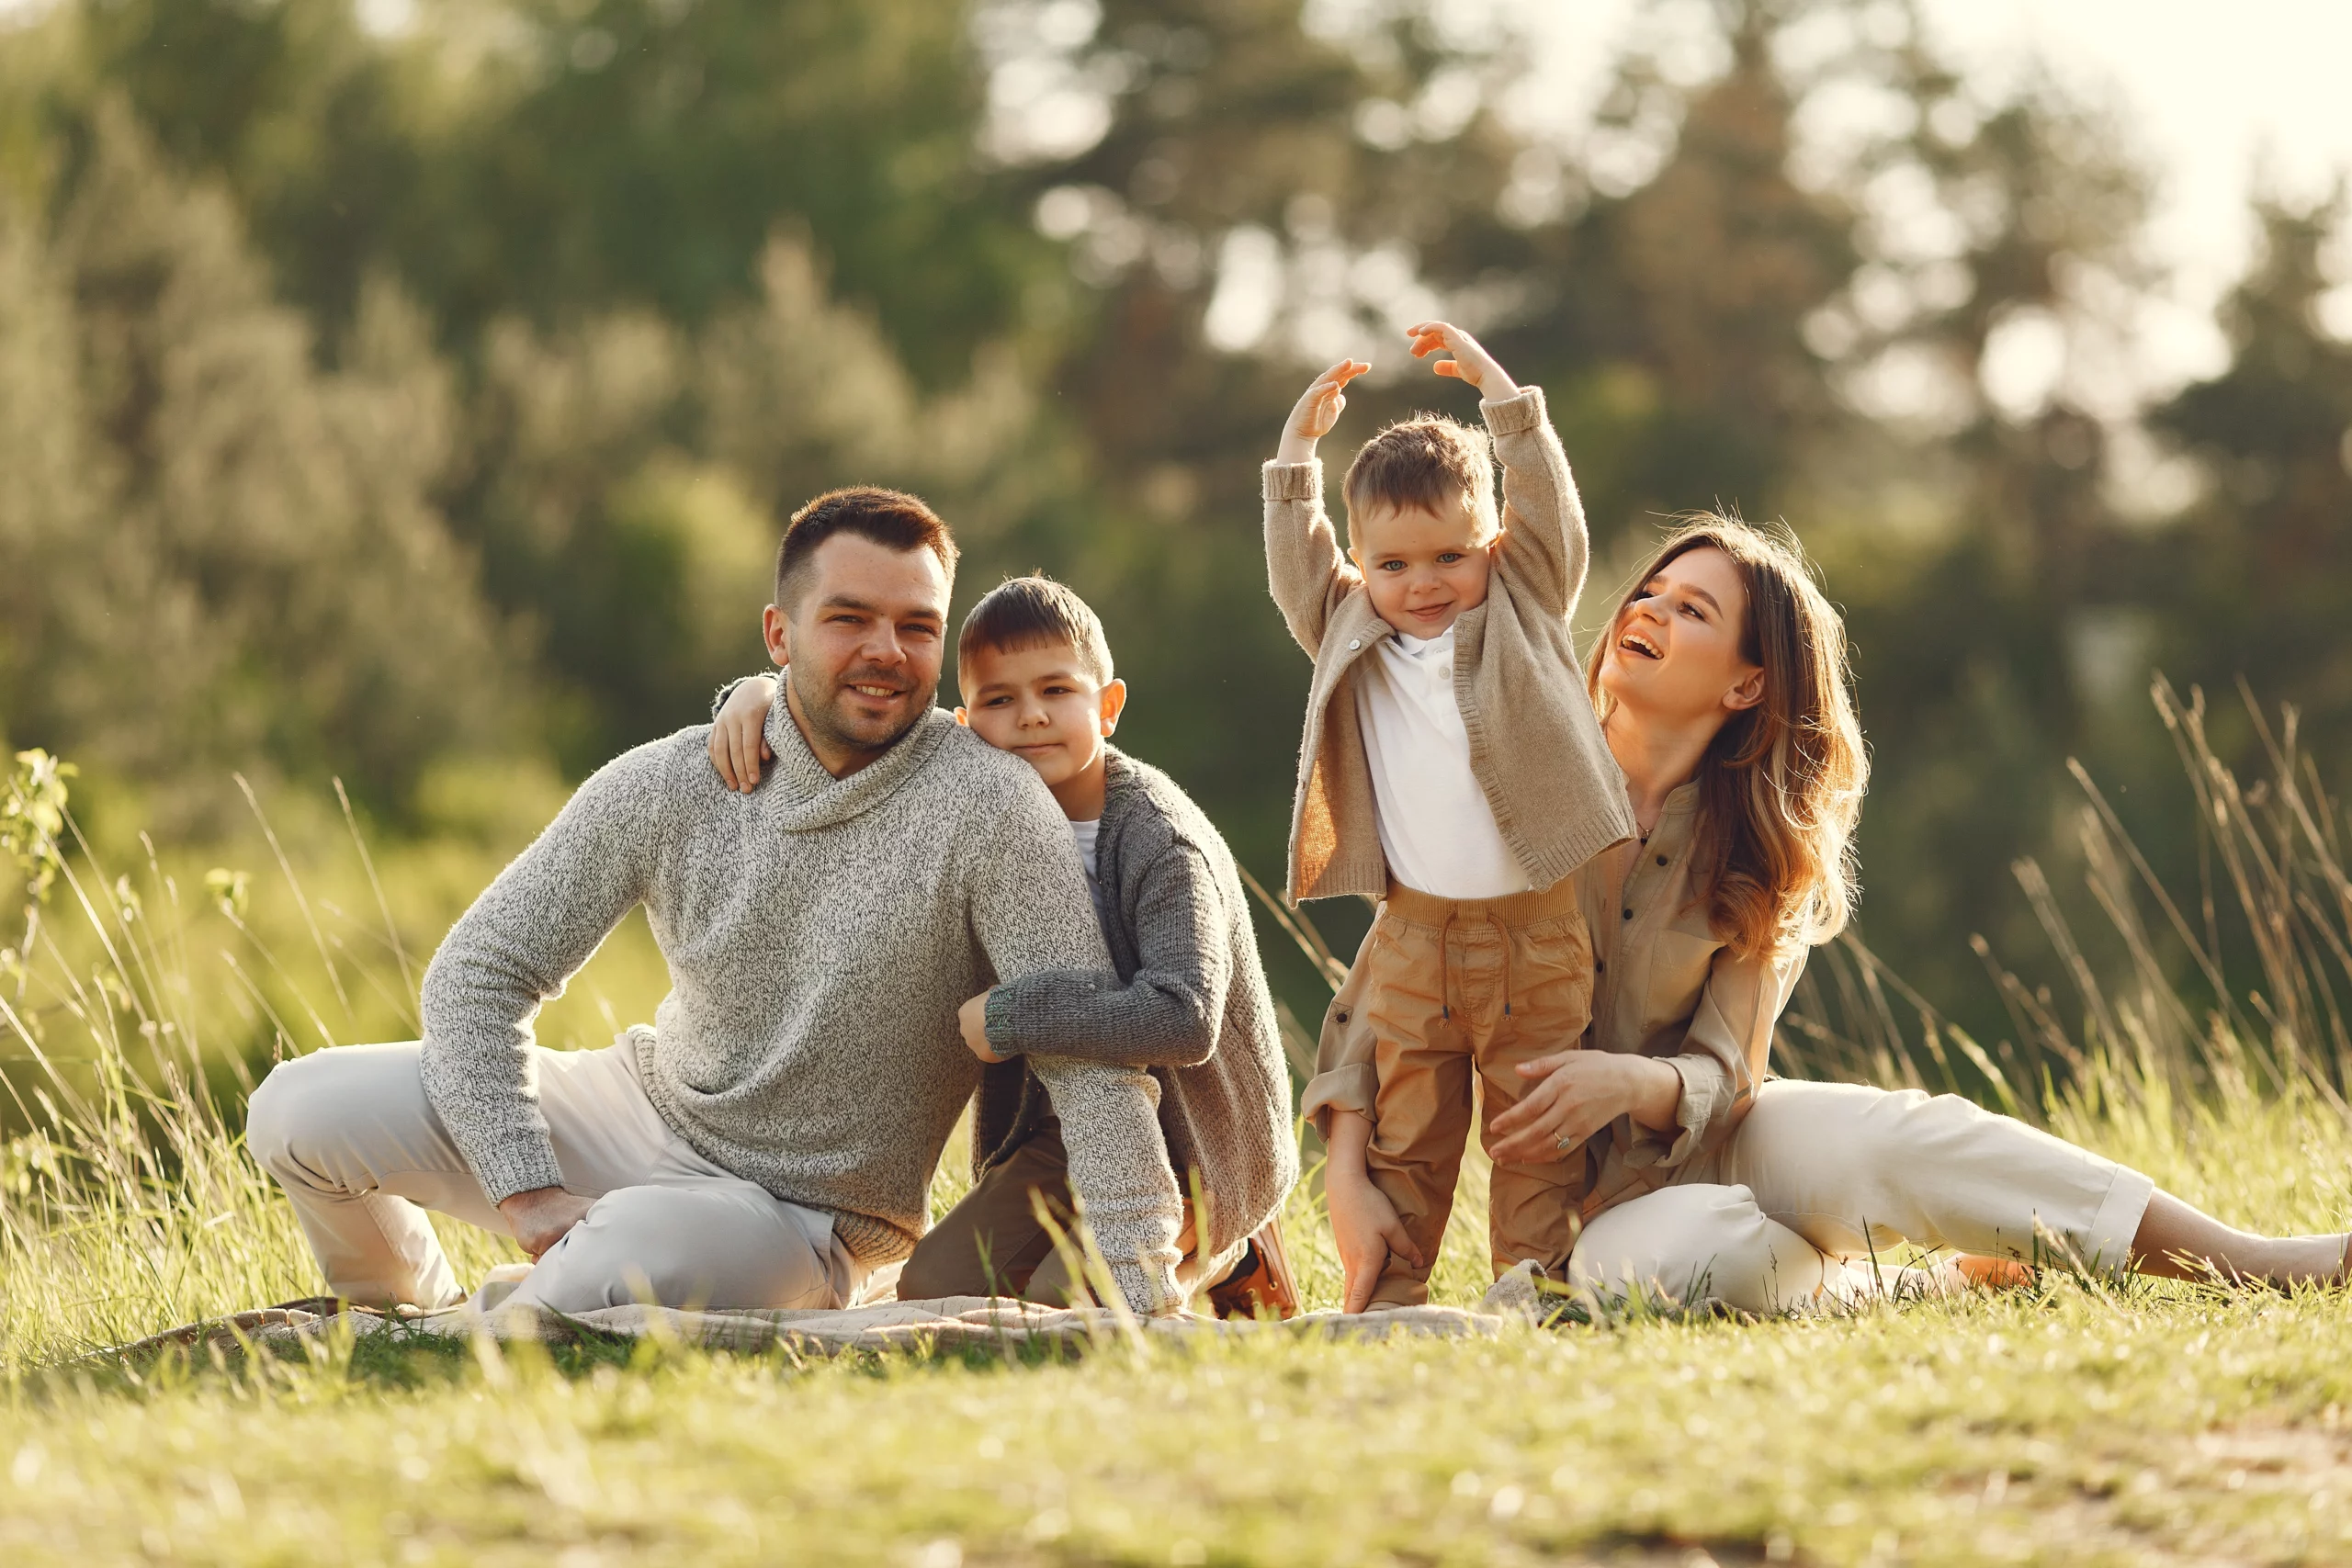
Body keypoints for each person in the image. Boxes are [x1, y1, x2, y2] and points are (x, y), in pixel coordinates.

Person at [1316, 515, 2352, 1313]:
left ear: (1746, 685)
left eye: (1692, 613)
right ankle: (1905, 1289)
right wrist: (1351, 1176)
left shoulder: (1758, 852)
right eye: (1651, 593)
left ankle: (2252, 1261)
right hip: (1588, 1213)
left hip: (1718, 1137)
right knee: (1670, 1265)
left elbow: (1730, 1078)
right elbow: (1387, 990)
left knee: (1897, 1137)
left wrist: (1631, 1080)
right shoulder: (1502, 788)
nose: (1647, 613)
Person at [244, 488, 1189, 1318]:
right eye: (848, 618)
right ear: (778, 635)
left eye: (917, 626)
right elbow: (479, 971)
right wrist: (526, 1188)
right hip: (637, 1111)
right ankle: (402, 1319)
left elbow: (1088, 1058)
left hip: (797, 1221)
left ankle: (498, 1325)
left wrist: (1144, 1293)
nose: (886, 651)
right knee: (297, 1108)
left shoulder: (991, 805)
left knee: (620, 1260)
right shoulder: (670, 780)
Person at [709, 574, 1302, 1314]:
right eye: (999, 700)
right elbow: (862, 730)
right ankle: (1120, 1242)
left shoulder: (1158, 840)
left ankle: (1231, 1253)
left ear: (1108, 706)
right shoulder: (980, 817)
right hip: (1060, 1132)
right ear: (965, 727)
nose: (1030, 717)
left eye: (1057, 691)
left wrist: (1015, 1016)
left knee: (1073, 1302)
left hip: (1193, 1144)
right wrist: (761, 693)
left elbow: (1184, 1016)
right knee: (934, 1287)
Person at [1266, 321, 1635, 1309]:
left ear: (1493, 548)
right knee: (1408, 1131)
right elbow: (1296, 566)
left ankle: (1532, 1288)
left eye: (1447, 556)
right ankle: (1393, 1302)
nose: (1422, 584)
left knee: (1534, 1132)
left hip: (1538, 935)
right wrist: (1296, 456)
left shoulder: (1522, 600)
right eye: (1392, 565)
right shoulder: (1349, 627)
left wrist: (1501, 399)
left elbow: (1552, 516)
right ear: (1359, 563)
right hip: (1417, 938)